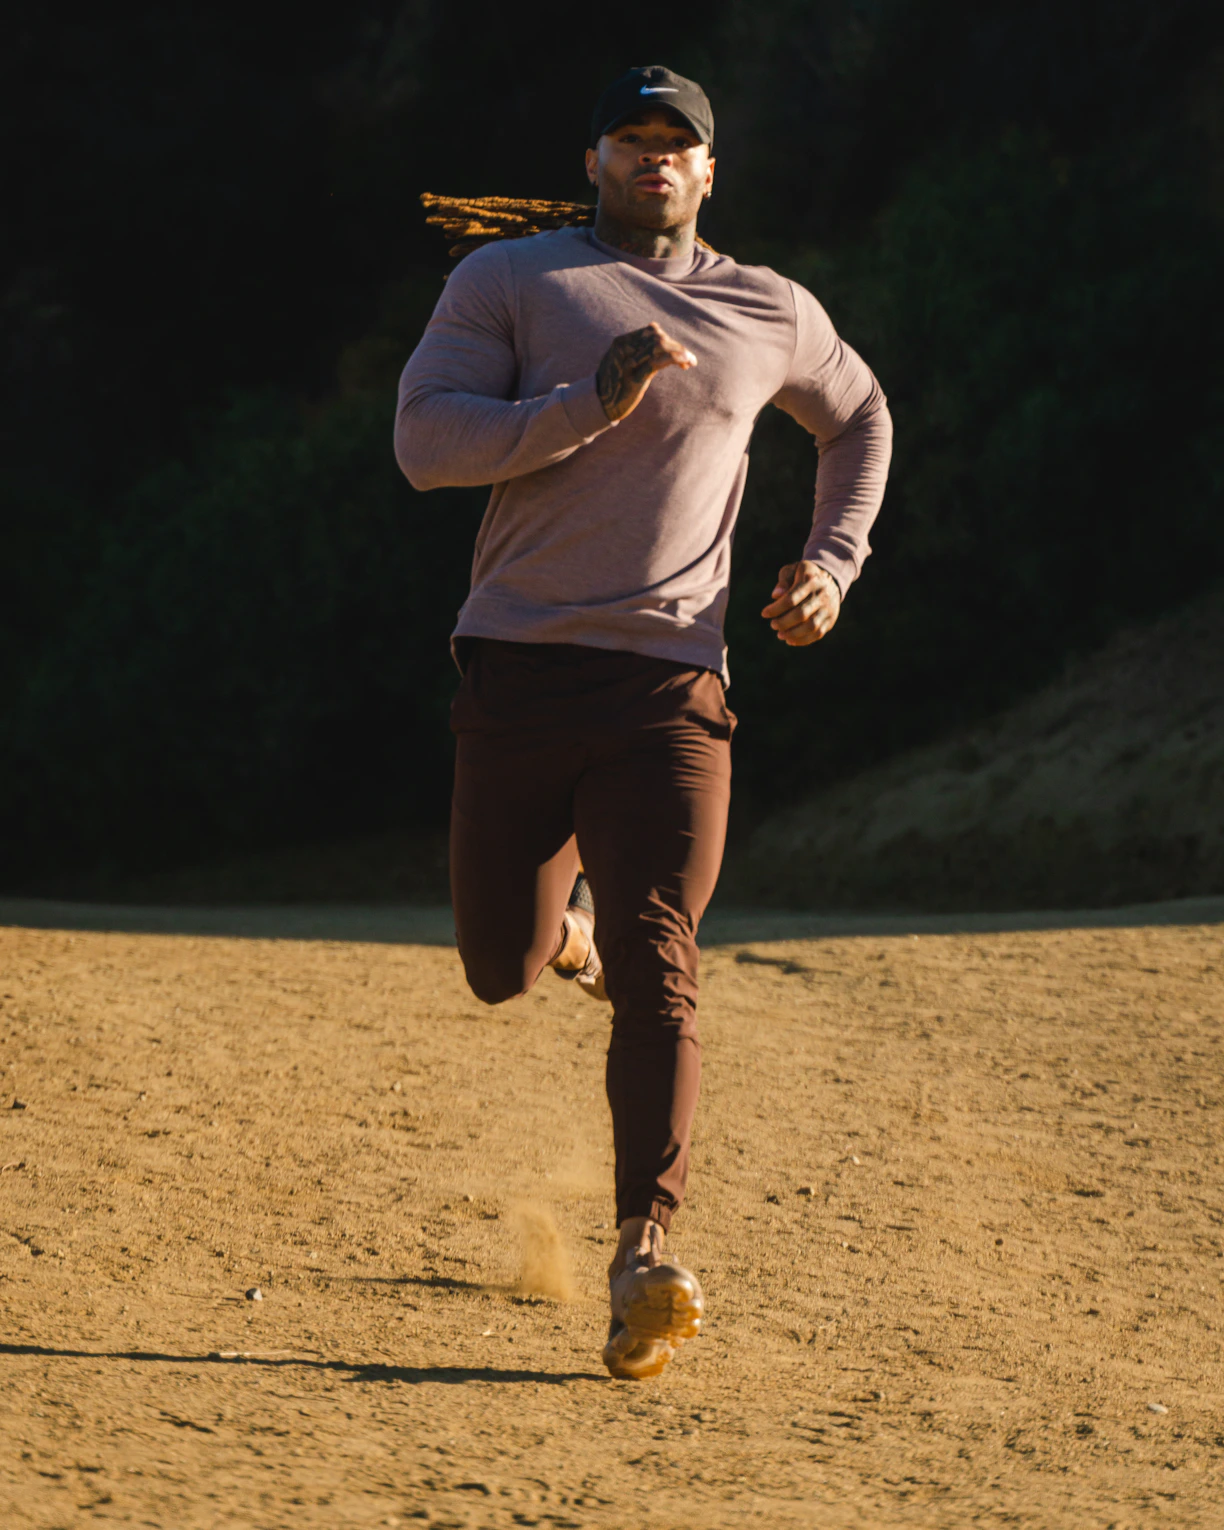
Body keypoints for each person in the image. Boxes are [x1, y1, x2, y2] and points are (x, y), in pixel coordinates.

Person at [395, 64, 892, 1379]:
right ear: (595, 156)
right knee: (497, 964)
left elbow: (860, 416)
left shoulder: (767, 306)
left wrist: (832, 562)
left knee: (663, 953)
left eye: (681, 145)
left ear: (711, 172)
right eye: (634, 139)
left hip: (674, 682)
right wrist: (585, 404)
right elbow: (424, 443)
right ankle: (561, 934)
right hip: (516, 665)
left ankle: (641, 1256)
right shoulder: (511, 283)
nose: (656, 160)